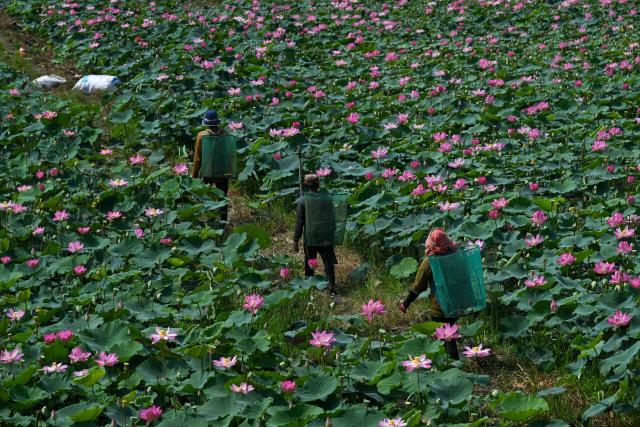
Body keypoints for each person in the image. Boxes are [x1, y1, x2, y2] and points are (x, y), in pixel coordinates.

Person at [399, 228, 460, 359]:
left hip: (440, 308)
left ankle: (449, 367)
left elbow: (418, 287)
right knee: (450, 337)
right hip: (456, 305)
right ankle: (453, 365)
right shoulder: (455, 257)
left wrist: (405, 304)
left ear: (431, 244)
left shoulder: (430, 262)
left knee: (445, 339)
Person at [293, 174, 338, 295]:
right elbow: (332, 219)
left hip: (311, 237)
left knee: (310, 262)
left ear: (305, 185)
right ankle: (331, 286)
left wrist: (295, 240)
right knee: (328, 262)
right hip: (325, 236)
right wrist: (332, 234)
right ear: (318, 184)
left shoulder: (302, 201)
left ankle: (310, 287)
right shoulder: (327, 199)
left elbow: (300, 222)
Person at [192, 109, 231, 222]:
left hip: (207, 172)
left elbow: (197, 159)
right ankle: (223, 221)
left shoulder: (201, 136)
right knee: (223, 198)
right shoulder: (226, 134)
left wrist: (194, 177)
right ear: (217, 122)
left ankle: (211, 220)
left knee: (207, 198)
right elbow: (229, 156)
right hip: (223, 172)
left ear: (206, 123)